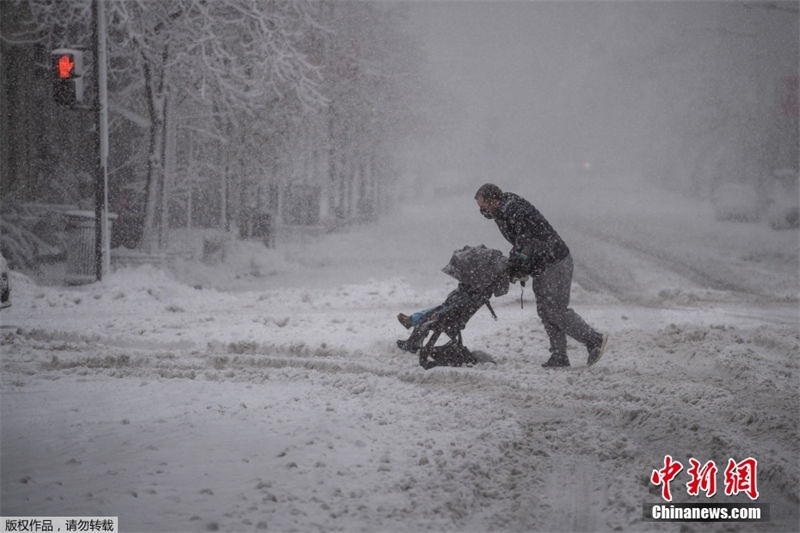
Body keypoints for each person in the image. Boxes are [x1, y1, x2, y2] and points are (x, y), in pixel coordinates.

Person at [474, 183, 607, 367]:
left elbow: (527, 240)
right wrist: (517, 263)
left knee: (556, 309)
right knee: (545, 310)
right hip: (542, 264)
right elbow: (521, 243)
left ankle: (594, 340)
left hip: (554, 261)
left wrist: (518, 264)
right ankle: (559, 355)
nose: (482, 211)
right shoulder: (502, 212)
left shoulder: (513, 209)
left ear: (493, 200)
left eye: (483, 206)